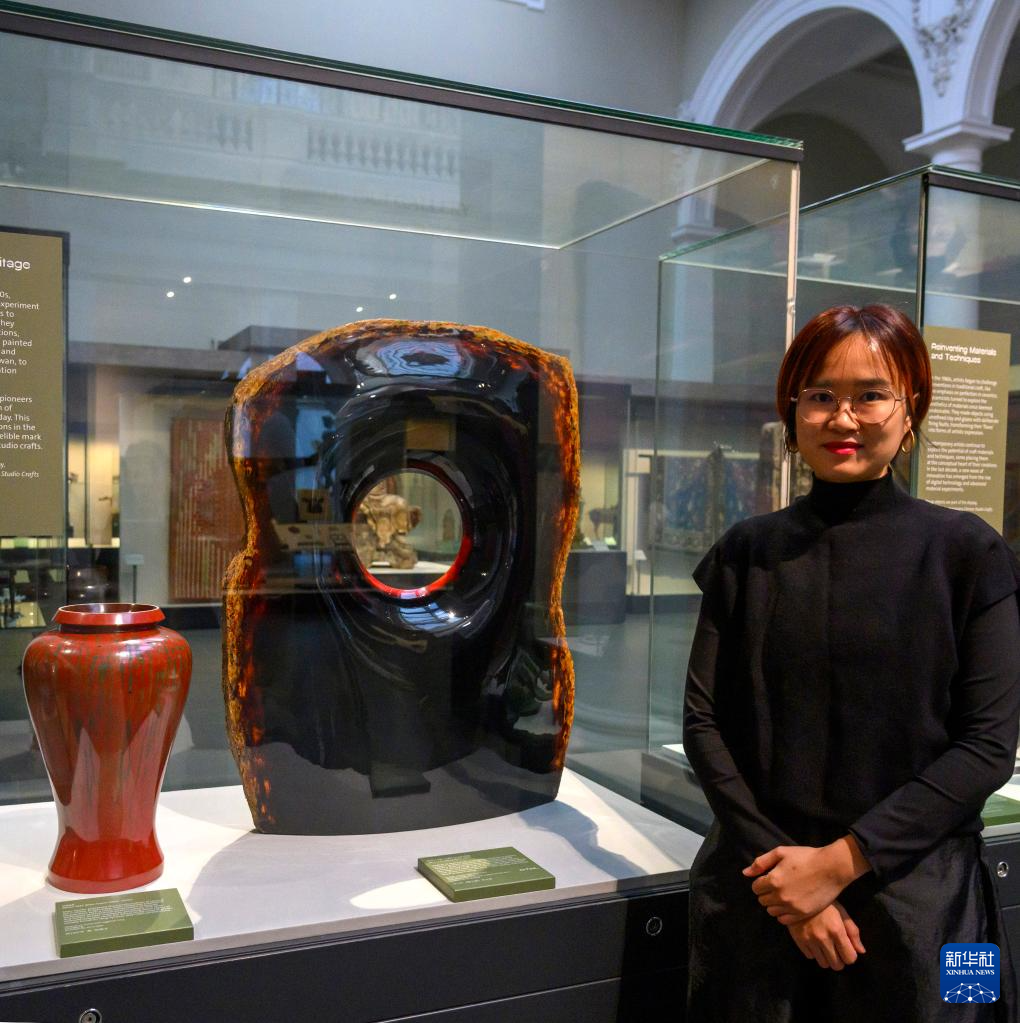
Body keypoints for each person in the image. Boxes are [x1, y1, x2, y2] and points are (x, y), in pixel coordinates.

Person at [683, 304, 1020, 1021]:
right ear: (792, 410)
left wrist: (837, 865)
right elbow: (704, 723)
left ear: (911, 407)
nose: (843, 418)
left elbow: (988, 746)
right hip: (760, 889)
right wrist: (792, 888)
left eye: (871, 394)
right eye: (820, 395)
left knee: (969, 1006)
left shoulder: (969, 552)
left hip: (932, 900)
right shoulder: (745, 552)